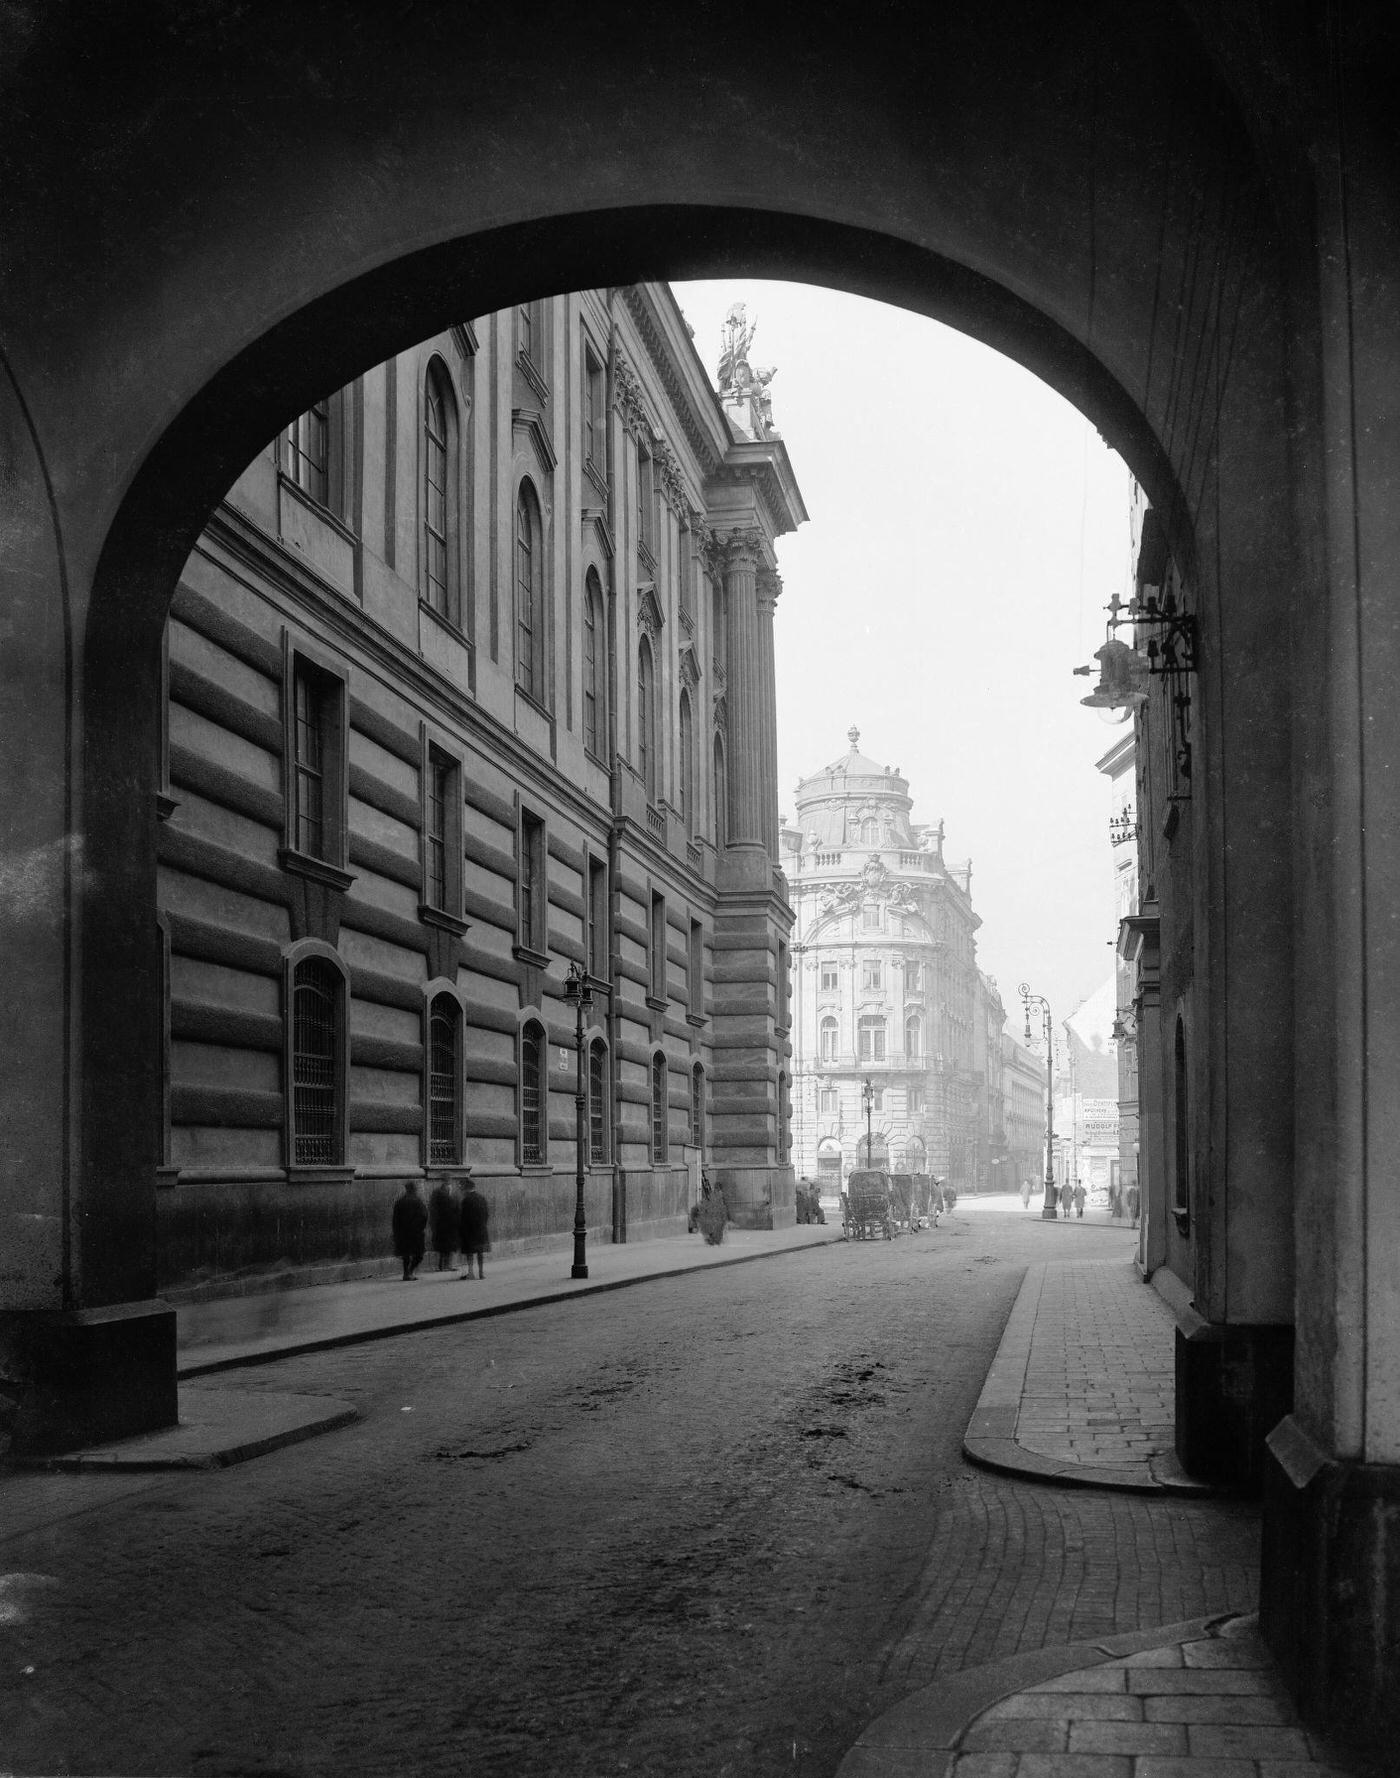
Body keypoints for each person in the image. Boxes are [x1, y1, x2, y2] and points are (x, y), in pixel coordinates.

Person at [391, 1178, 427, 1281]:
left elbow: (395, 1219)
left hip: (402, 1232)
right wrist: (420, 1228)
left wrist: (396, 1232)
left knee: (405, 1254)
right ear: (414, 1190)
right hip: (416, 1232)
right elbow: (424, 1216)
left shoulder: (399, 1202)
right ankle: (410, 1271)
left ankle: (406, 1273)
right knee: (419, 1254)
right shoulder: (418, 1201)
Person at [458, 1170, 490, 1279]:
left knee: (470, 1253)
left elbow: (463, 1217)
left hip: (470, 1231)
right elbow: (486, 1214)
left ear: (466, 1188)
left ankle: (471, 1273)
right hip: (481, 1229)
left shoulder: (466, 1200)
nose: (461, 1190)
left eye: (462, 1188)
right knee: (480, 1253)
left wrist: (462, 1230)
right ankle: (481, 1273)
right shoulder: (481, 1198)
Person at [428, 1175, 460, 1271]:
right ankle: (443, 1265)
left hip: (450, 1223)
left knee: (449, 1245)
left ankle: (447, 1265)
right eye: (447, 1181)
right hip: (443, 1223)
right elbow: (433, 1207)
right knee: (444, 1245)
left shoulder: (452, 1193)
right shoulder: (439, 1192)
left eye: (449, 1181)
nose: (449, 1183)